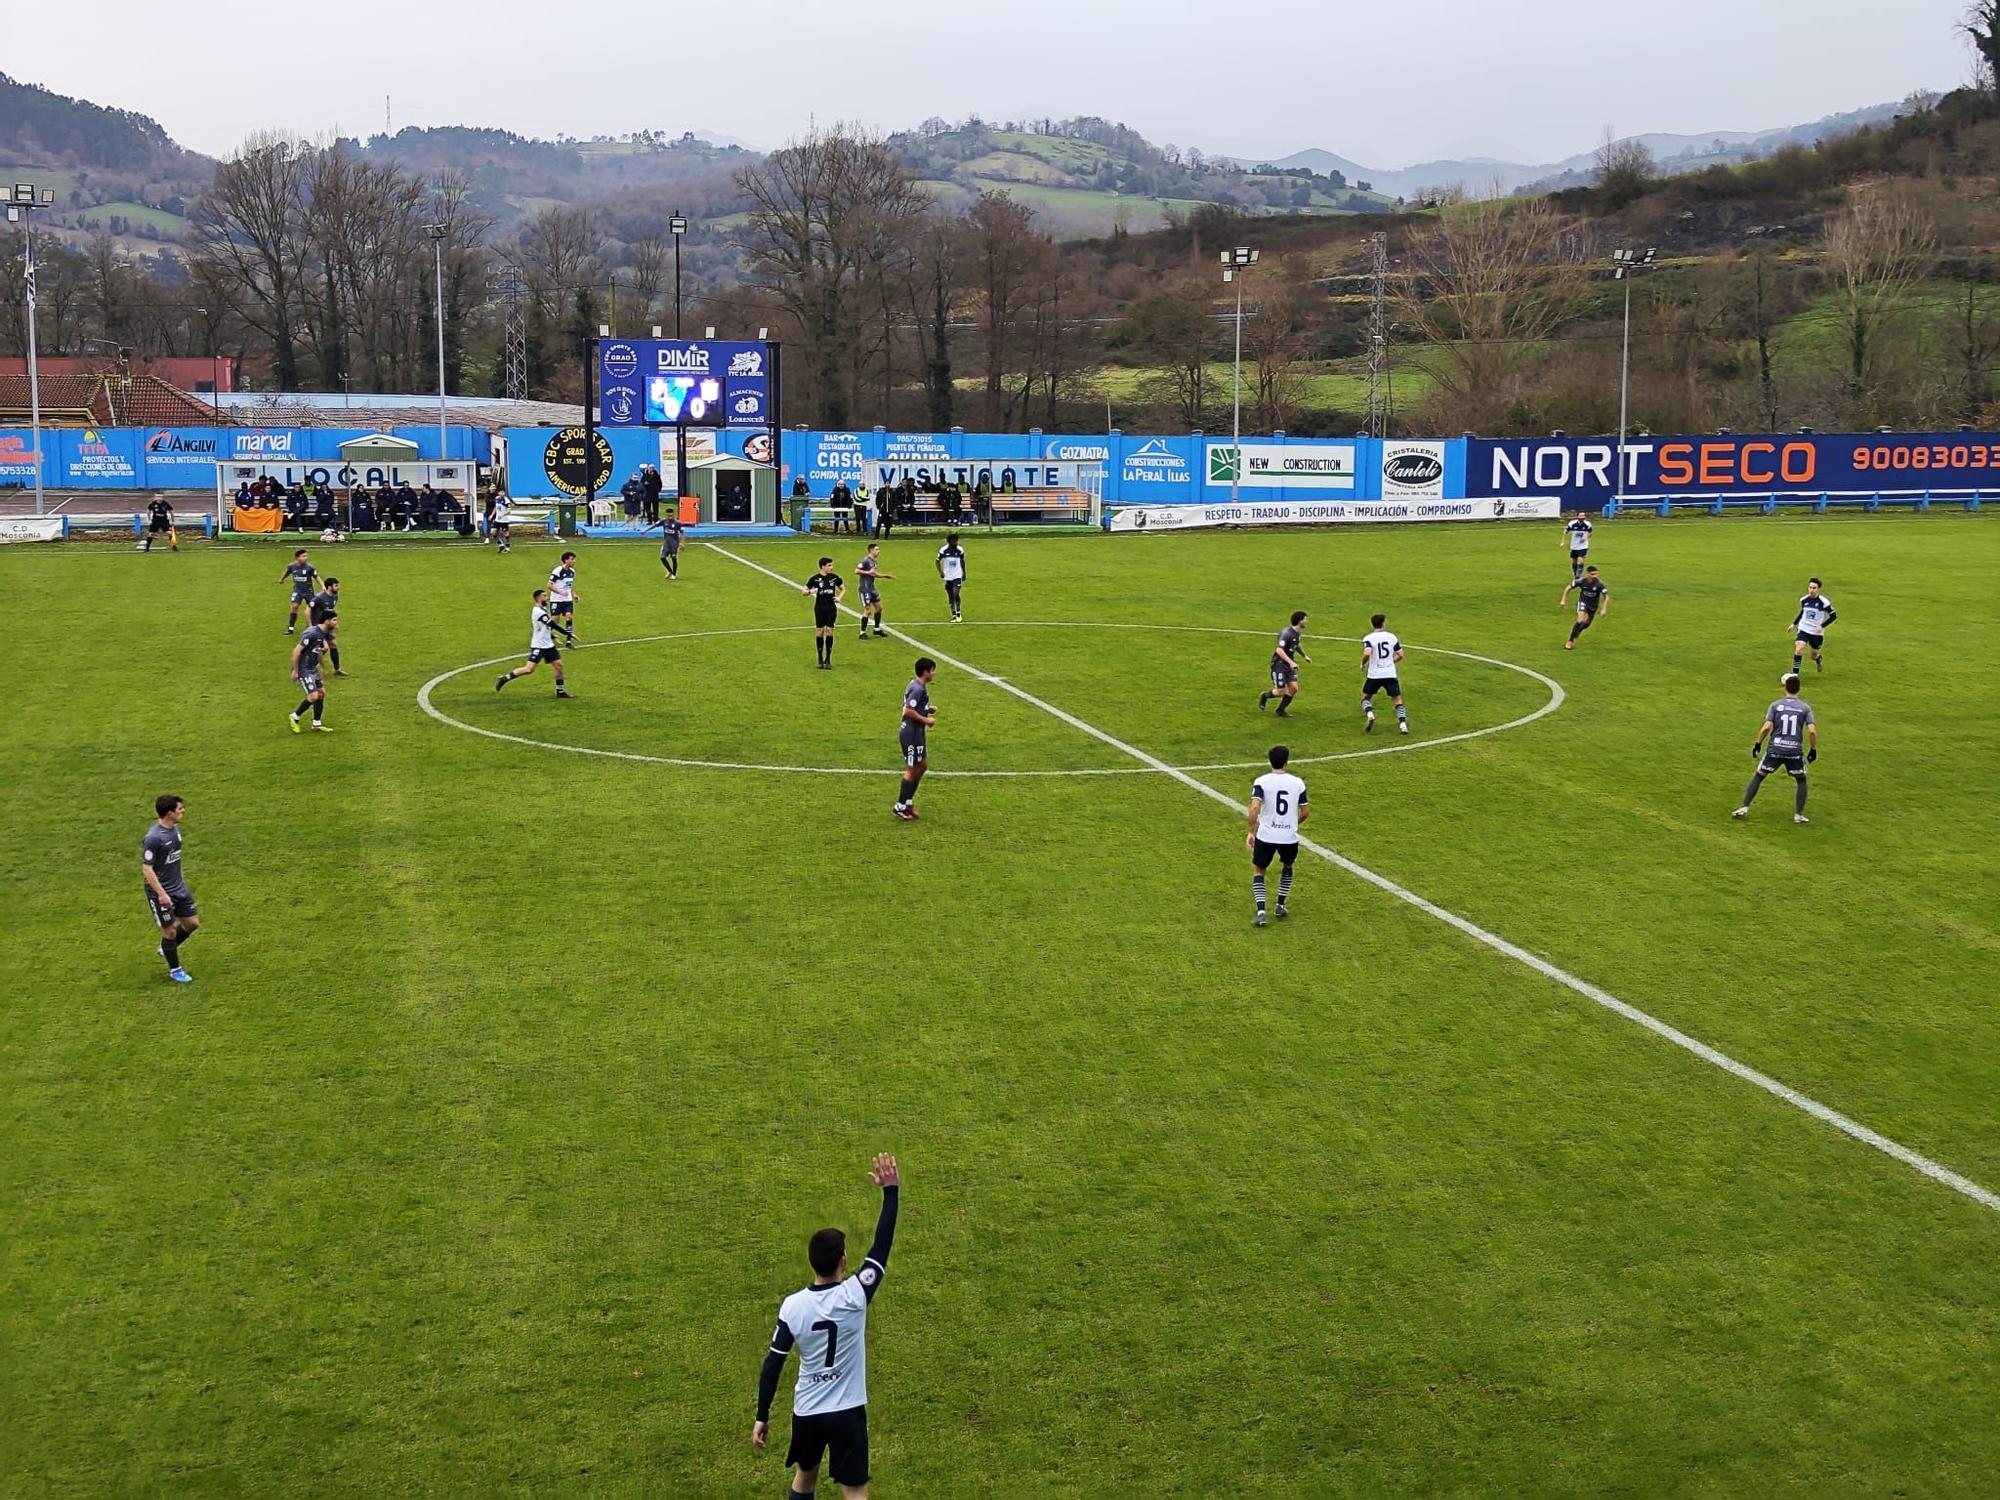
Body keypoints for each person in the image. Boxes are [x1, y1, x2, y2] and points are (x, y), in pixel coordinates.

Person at [754, 1154, 901, 1500]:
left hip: (808, 1411)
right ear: (843, 1261)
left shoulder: (793, 1307)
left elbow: (773, 1363)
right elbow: (882, 1247)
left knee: (805, 1478)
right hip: (847, 1412)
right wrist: (890, 1192)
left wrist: (762, 1415)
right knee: (855, 1492)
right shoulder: (855, 1295)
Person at [1734, 673, 1818, 824]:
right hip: (1794, 751)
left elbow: (1766, 727)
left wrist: (1758, 743)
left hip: (1775, 748)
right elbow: (1812, 731)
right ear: (1799, 689)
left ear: (1784, 687)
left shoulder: (1775, 705)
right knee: (1801, 780)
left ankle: (1744, 807)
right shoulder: (1805, 708)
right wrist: (1813, 749)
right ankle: (1798, 815)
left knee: (1759, 775)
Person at [1246, 744, 1308, 927]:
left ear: (1270, 761)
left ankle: (1261, 911)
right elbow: (1305, 811)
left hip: (1266, 835)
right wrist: (1291, 824)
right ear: (1286, 762)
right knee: (1287, 866)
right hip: (1289, 837)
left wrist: (1250, 831)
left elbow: (1255, 807)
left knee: (1259, 870)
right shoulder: (1298, 783)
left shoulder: (1262, 781)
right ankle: (1280, 905)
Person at [142, 794, 200, 984]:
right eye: (179, 809)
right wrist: (162, 894)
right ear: (169, 813)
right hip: (161, 893)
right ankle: (175, 970)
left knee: (192, 923)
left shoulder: (175, 830)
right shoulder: (153, 838)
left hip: (178, 888)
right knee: (170, 932)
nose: (183, 811)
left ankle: (166, 948)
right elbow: (147, 868)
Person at [495, 588, 575, 698]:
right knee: (529, 669)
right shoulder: (538, 612)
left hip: (548, 645)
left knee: (559, 665)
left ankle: (560, 691)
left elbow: (542, 627)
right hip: (539, 646)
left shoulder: (542, 609)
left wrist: (552, 636)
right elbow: (552, 624)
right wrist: (568, 633)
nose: (547, 598)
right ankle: (504, 678)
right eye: (545, 596)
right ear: (538, 598)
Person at [894, 659, 936, 821]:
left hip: (918, 732)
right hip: (911, 733)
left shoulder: (916, 685)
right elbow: (908, 711)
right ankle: (900, 806)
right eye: (932, 670)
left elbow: (914, 706)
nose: (933, 673)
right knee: (912, 769)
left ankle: (908, 801)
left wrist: (927, 708)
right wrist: (927, 720)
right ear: (925, 672)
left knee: (922, 766)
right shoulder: (917, 688)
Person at [1359, 612, 1408, 735]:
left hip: (1374, 674)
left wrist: (1363, 663)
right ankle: (1402, 724)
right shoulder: (1392, 637)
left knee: (1365, 698)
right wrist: (1391, 662)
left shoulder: (1369, 638)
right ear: (1383, 623)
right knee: (1397, 700)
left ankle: (1370, 714)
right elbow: (1401, 655)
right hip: (1390, 674)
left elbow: (1367, 652)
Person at [290, 611, 336, 733]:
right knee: (313, 696)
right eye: (334, 620)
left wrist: (322, 667)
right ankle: (295, 716)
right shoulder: (311, 633)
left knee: (321, 693)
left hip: (312, 668)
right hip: (304, 668)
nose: (336, 623)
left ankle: (316, 724)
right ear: (327, 620)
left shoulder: (322, 633)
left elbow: (318, 651)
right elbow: (296, 652)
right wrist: (295, 670)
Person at [1258, 611, 1311, 717]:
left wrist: (1304, 656)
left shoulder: (1297, 634)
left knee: (1293, 688)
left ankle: (1280, 710)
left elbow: (1296, 645)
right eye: (1305, 619)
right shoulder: (1286, 633)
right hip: (1279, 665)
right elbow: (1279, 650)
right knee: (1281, 691)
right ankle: (1265, 696)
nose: (1307, 621)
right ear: (1300, 621)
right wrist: (1291, 662)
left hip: (1288, 665)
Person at [804, 556, 845, 669]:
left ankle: (828, 659)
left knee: (830, 631)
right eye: (829, 565)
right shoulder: (815, 579)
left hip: (831, 608)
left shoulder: (834, 578)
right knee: (820, 631)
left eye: (831, 565)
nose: (831, 567)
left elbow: (843, 588)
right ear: (823, 566)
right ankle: (820, 659)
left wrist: (839, 597)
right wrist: (811, 591)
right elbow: (804, 591)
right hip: (819, 608)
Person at [1791, 577, 1837, 675]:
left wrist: (1822, 626)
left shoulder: (1823, 602)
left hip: (1816, 632)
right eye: (1810, 587)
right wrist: (1794, 624)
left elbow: (1834, 616)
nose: (1811, 590)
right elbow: (1802, 612)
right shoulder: (1804, 600)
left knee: (1813, 655)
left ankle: (1818, 659)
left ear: (1818, 589)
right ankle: (1795, 675)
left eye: (1814, 588)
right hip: (1804, 628)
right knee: (1799, 648)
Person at [1561, 565, 1609, 649]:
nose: (1595, 576)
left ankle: (1578, 630)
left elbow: (1607, 597)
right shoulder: (1581, 581)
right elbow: (1568, 588)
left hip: (1593, 606)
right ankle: (1570, 641)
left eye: (1596, 574)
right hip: (1583, 602)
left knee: (1586, 624)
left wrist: (1603, 608)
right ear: (1588, 574)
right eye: (1593, 574)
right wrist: (1563, 600)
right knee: (1580, 620)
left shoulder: (1599, 584)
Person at [853, 543, 893, 639]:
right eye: (877, 549)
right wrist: (867, 572)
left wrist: (884, 576)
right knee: (868, 610)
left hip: (872, 588)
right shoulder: (865, 560)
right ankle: (862, 632)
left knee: (879, 608)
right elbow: (856, 571)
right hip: (865, 589)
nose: (879, 551)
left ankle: (877, 629)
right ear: (871, 550)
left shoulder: (874, 561)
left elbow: (873, 574)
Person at [309, 577, 345, 676]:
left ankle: (337, 670)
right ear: (329, 587)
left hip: (327, 625)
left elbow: (331, 610)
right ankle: (307, 667)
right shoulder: (319, 598)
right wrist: (310, 625)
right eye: (336, 585)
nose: (339, 587)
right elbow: (307, 610)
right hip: (318, 626)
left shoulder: (335, 596)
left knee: (332, 644)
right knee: (321, 648)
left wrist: (335, 623)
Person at [281, 548, 320, 634]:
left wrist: (323, 586)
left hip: (309, 592)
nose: (306, 558)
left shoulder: (309, 567)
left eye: (306, 556)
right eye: (303, 556)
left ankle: (313, 626)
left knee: (313, 608)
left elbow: (316, 577)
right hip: (298, 591)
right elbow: (287, 572)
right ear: (297, 558)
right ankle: (291, 628)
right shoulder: (291, 566)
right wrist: (282, 579)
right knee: (294, 606)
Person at [936, 532, 967, 623]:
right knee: (950, 595)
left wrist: (964, 572)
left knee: (956, 593)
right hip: (948, 576)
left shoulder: (960, 550)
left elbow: (962, 561)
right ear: (949, 542)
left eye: (956, 541)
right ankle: (953, 614)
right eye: (953, 541)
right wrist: (941, 572)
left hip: (957, 575)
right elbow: (937, 561)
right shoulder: (943, 550)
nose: (955, 543)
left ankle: (958, 613)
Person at [548, 551, 579, 638]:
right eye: (572, 559)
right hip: (556, 600)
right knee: (555, 621)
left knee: (569, 616)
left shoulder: (572, 571)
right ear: (566, 560)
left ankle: (569, 640)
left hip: (567, 600)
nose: (574, 561)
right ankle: (543, 634)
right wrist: (560, 592)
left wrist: (574, 594)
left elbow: (569, 585)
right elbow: (549, 585)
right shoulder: (558, 571)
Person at [646, 510, 683, 579]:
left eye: (671, 516)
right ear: (666, 515)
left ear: (674, 515)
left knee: (674, 558)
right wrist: (645, 530)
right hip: (666, 542)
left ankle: (674, 574)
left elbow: (681, 533)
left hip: (674, 543)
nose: (670, 517)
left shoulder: (677, 523)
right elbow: (654, 525)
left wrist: (681, 543)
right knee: (662, 557)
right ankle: (669, 571)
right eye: (668, 516)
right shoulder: (663, 521)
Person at [1563, 511, 1593, 583]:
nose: (1582, 517)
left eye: (1583, 516)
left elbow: (1591, 532)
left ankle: (1578, 576)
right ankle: (1575, 575)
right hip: (1574, 546)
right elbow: (1565, 531)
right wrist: (1563, 541)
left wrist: (1586, 538)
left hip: (1583, 546)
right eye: (1581, 516)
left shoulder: (1588, 524)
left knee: (1580, 561)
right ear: (1577, 516)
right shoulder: (1572, 524)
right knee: (1574, 562)